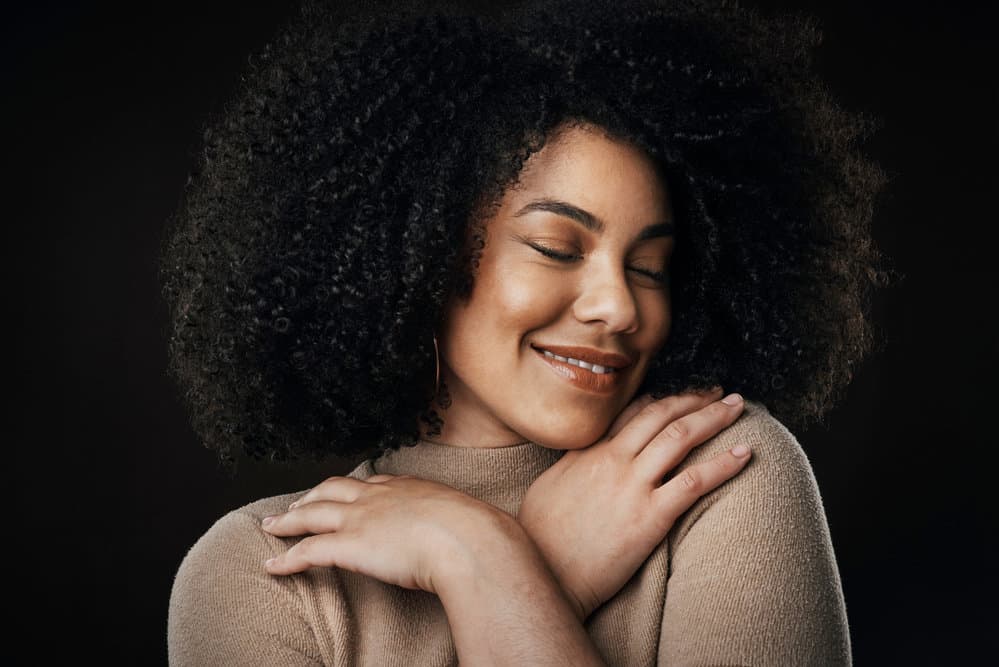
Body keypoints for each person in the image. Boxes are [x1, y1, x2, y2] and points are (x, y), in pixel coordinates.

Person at [161, 0, 885, 664]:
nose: (619, 307)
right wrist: (525, 573)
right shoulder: (264, 574)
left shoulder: (711, 471)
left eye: (652, 266)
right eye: (556, 248)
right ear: (421, 253)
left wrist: (491, 566)